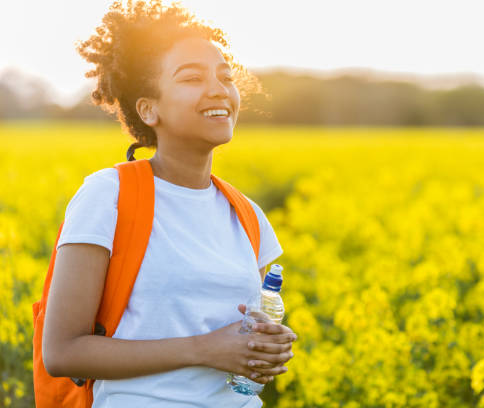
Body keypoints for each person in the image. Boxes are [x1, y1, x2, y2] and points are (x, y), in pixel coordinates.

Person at [41, 1, 297, 406]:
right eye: (192, 78)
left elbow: (242, 337)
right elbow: (62, 352)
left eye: (225, 77)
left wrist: (266, 348)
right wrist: (204, 348)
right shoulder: (108, 196)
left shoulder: (247, 214)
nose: (218, 89)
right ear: (149, 109)